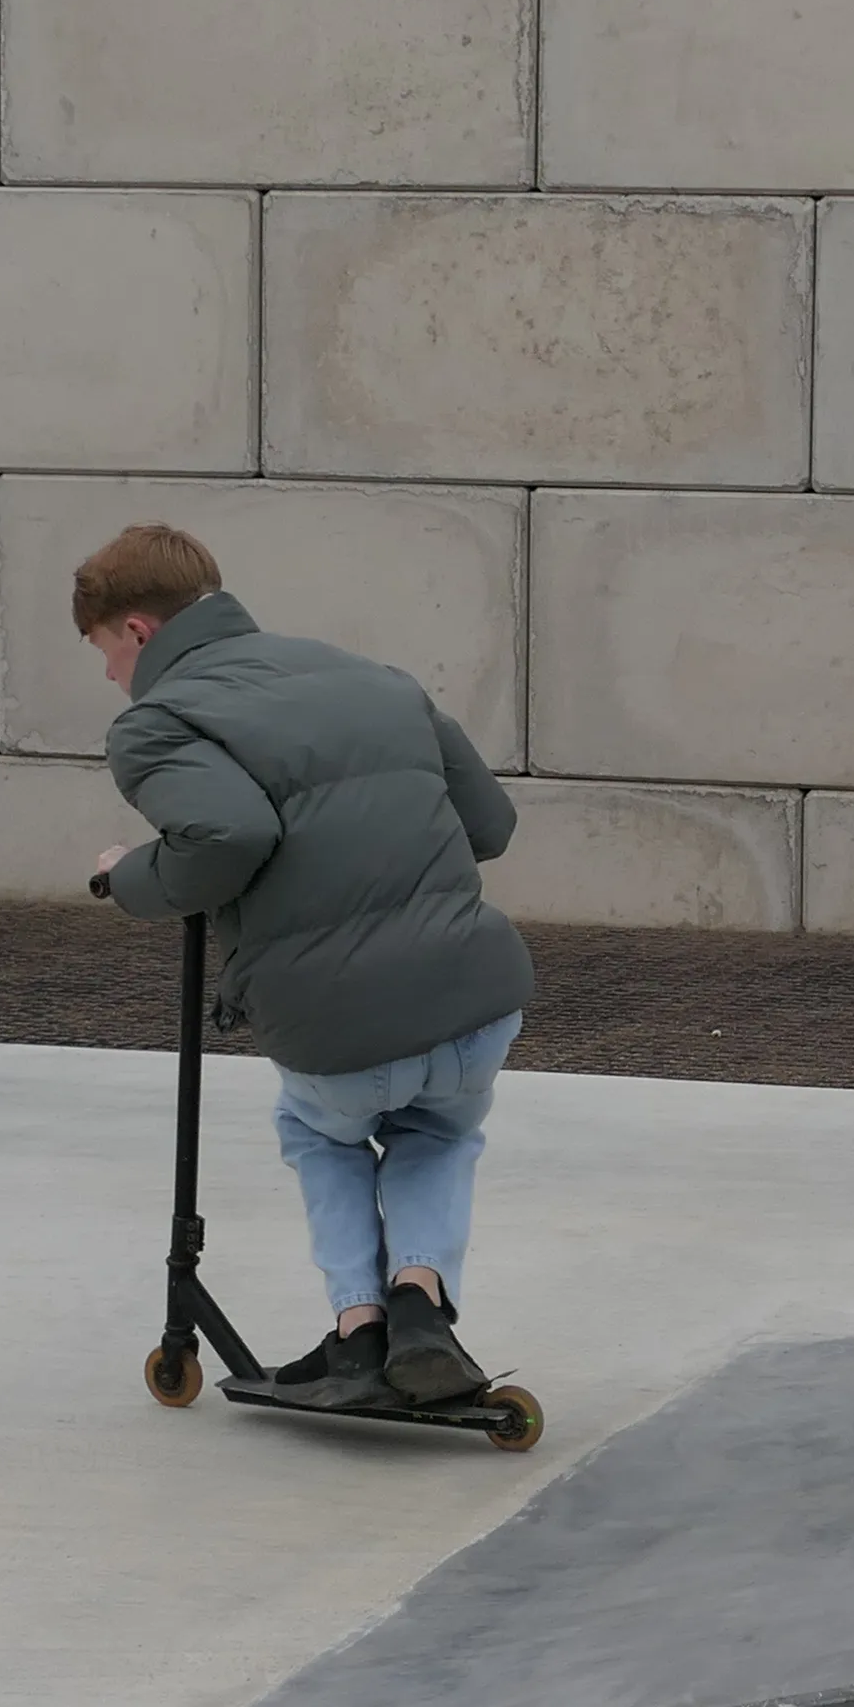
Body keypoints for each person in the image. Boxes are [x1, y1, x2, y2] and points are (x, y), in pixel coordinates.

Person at [76, 521, 533, 1415]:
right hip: (475, 1004)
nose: (108, 676)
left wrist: (124, 876)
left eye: (103, 652)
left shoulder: (159, 723)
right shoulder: (374, 678)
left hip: (338, 1027)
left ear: (137, 629)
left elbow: (229, 836)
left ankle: (359, 1331)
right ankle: (421, 1304)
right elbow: (490, 826)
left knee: (322, 1132)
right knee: (438, 1133)